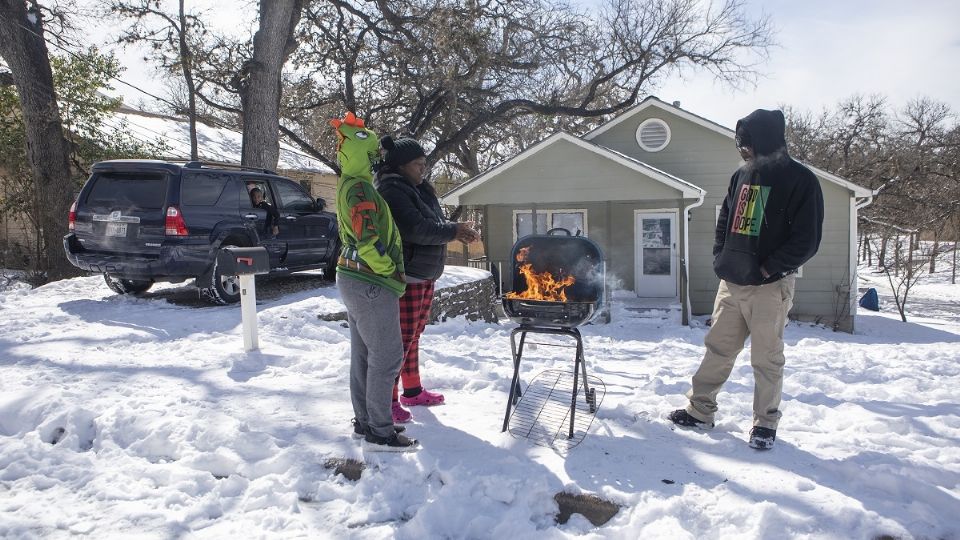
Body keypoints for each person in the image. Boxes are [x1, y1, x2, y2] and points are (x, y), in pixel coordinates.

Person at [668, 108, 824, 450]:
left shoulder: (800, 181)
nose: (742, 150)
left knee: (766, 357)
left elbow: (807, 240)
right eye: (739, 144)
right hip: (732, 282)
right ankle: (700, 410)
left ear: (764, 140)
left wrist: (770, 269)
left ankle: (765, 423)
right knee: (718, 349)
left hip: (769, 287)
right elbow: (725, 217)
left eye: (747, 143)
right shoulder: (741, 176)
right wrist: (720, 257)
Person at [375, 135, 479, 423]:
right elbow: (415, 229)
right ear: (401, 165)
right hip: (406, 275)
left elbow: (434, 224)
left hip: (424, 274)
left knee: (413, 336)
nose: (424, 169)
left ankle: (412, 390)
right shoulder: (392, 190)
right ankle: (388, 399)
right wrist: (453, 231)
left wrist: (455, 229)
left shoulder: (418, 188)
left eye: (425, 164)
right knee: (400, 340)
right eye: (418, 164)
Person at [330, 112, 418, 452]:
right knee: (386, 356)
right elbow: (368, 238)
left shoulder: (349, 184)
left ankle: (368, 421)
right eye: (371, 153)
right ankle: (380, 432)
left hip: (354, 278)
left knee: (365, 355)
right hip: (369, 281)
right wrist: (389, 271)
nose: (377, 157)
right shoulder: (359, 188)